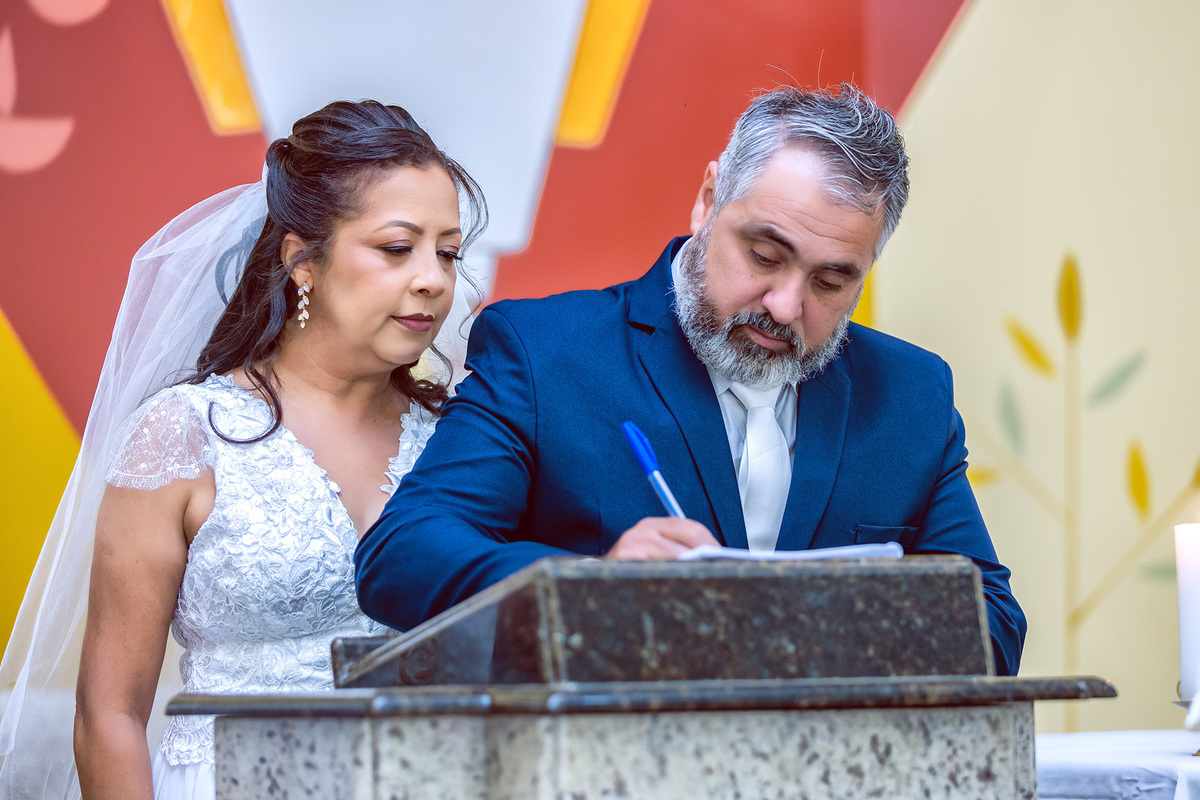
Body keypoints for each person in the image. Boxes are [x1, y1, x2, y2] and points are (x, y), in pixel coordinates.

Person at [355, 84, 1027, 676]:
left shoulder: (911, 395)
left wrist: (827, 620)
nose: (786, 306)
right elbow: (402, 555)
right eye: (764, 256)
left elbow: (993, 628)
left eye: (830, 282)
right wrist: (593, 589)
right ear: (708, 201)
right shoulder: (547, 352)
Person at [0, 100, 485, 800]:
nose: (433, 279)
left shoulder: (461, 436)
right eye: (395, 248)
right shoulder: (186, 433)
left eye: (448, 252)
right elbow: (108, 715)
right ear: (301, 260)